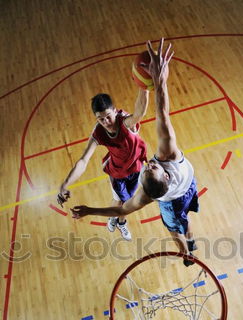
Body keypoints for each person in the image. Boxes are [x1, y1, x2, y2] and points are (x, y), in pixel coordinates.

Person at [71, 38, 199, 265]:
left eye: (147, 168)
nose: (150, 164)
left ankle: (187, 255)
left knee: (173, 228)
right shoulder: (170, 155)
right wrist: (159, 82)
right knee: (185, 218)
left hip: (175, 198)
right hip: (189, 185)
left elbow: (122, 210)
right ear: (165, 175)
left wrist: (91, 210)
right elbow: (163, 112)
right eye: (152, 167)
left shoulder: (148, 195)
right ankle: (192, 241)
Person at [57, 87, 149, 240]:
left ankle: (113, 217)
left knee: (121, 200)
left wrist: (144, 87)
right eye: (100, 119)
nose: (106, 122)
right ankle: (121, 222)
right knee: (125, 202)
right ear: (96, 118)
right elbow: (83, 161)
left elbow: (139, 113)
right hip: (117, 171)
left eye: (108, 116)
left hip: (136, 167)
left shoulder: (125, 122)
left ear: (114, 110)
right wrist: (64, 185)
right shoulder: (98, 132)